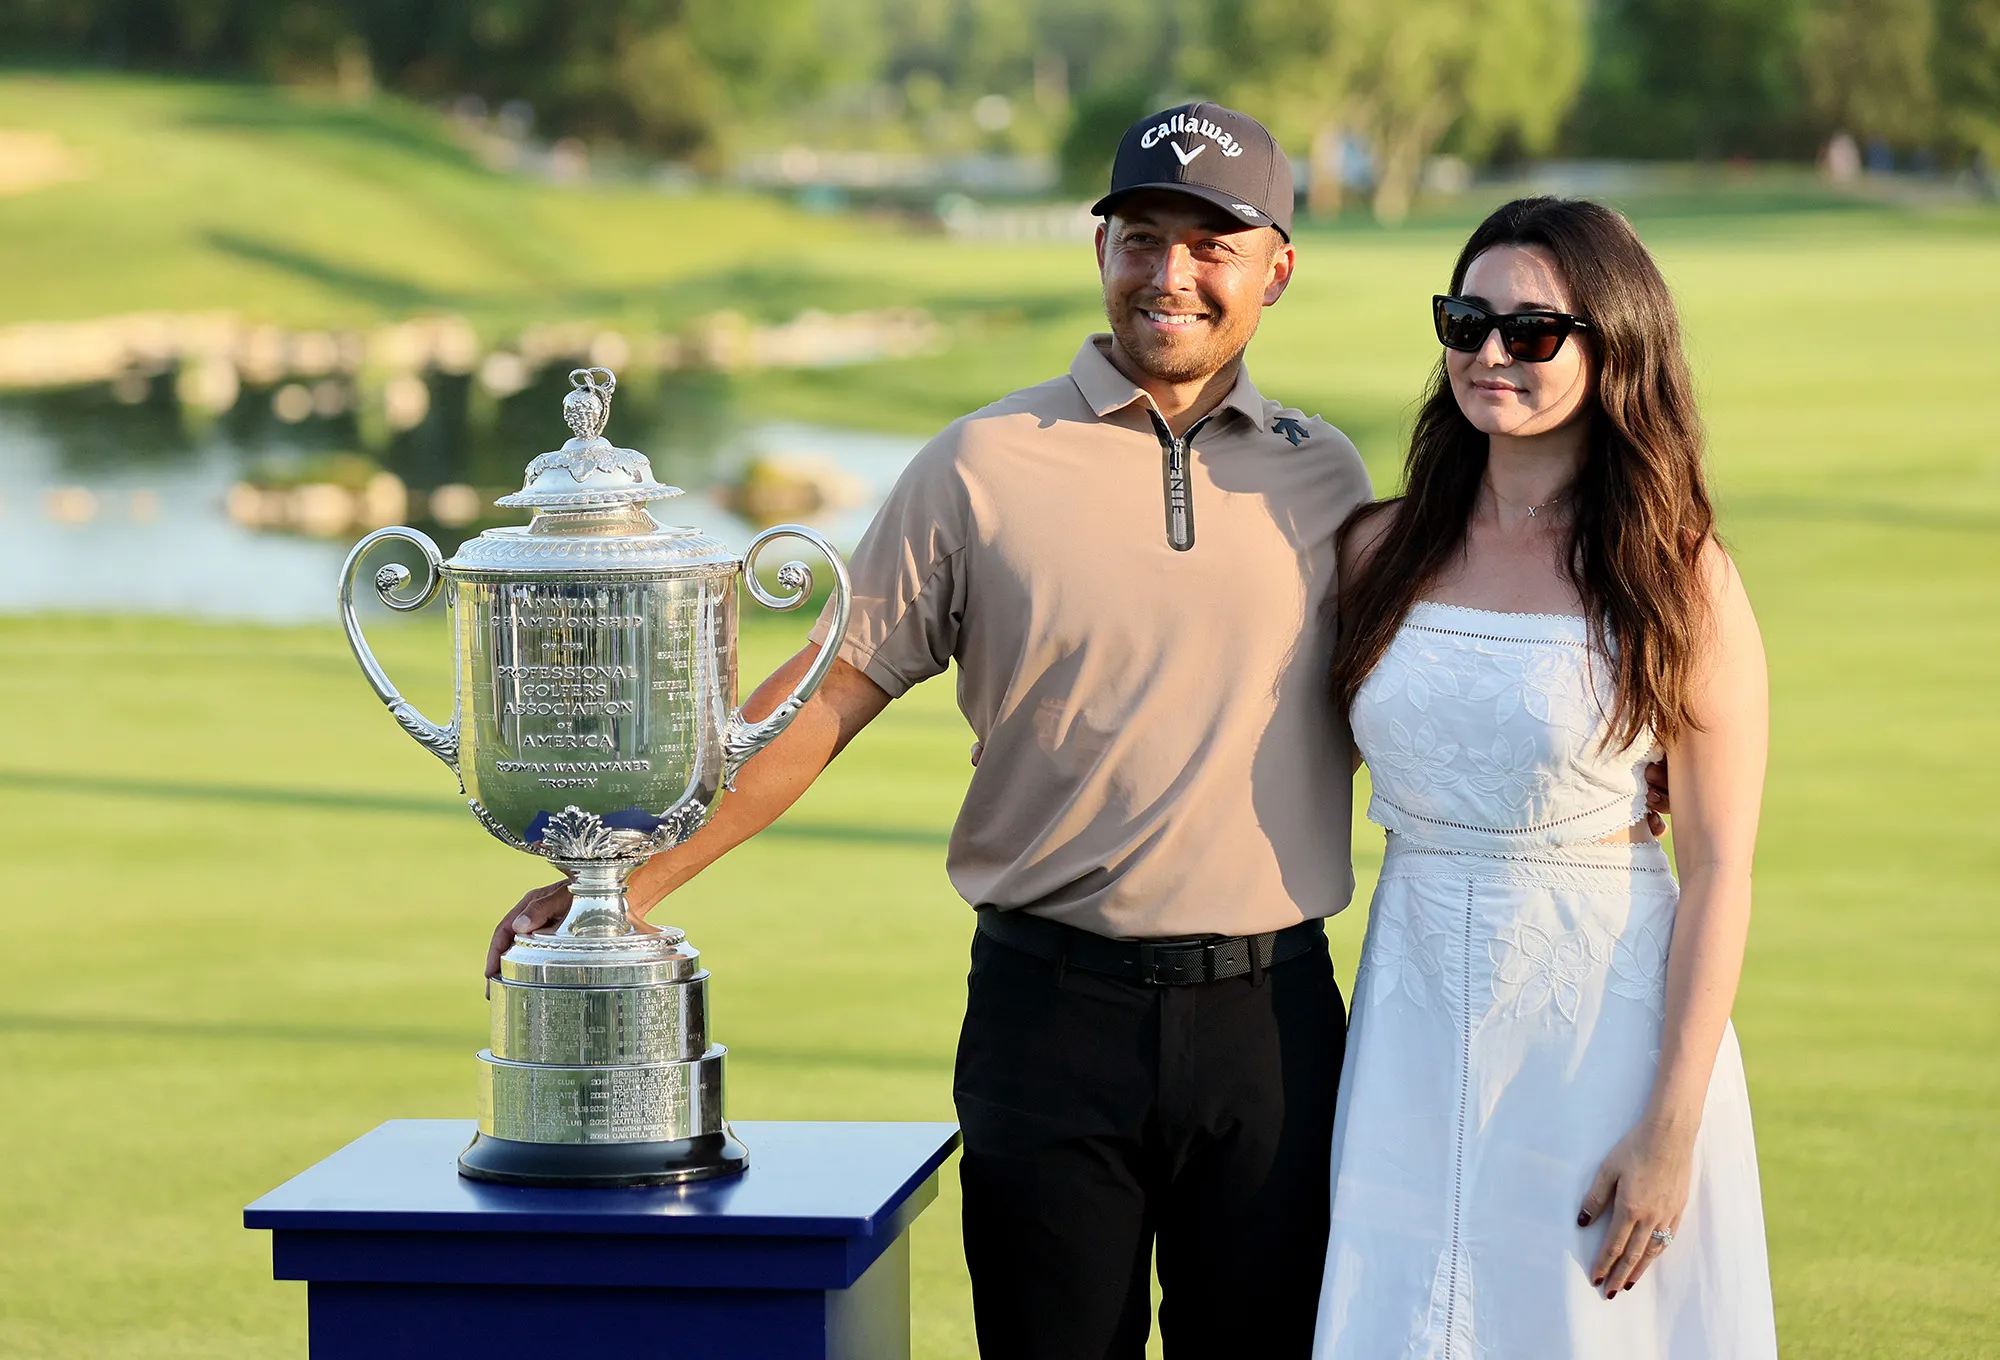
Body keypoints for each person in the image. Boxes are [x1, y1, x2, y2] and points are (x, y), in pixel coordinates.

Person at [491, 104, 1373, 1357]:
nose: (1167, 274)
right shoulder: (979, 463)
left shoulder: (1324, 475)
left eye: (1207, 243)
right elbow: (828, 690)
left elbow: (1428, 690)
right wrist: (625, 876)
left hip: (1270, 1024)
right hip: (1049, 1012)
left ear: (1274, 267)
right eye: (1138, 236)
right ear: (1101, 250)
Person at [1311, 197, 1777, 1358]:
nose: (1487, 355)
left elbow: (1718, 866)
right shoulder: (1374, 548)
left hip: (1601, 1038)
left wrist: (1669, 1128)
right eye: (1464, 322)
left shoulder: (1679, 575)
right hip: (1407, 1021)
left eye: (1530, 332)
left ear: (1610, 343)